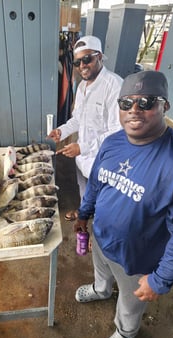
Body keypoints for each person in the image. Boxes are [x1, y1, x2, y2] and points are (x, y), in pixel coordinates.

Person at [73, 70, 173, 338]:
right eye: (126, 103)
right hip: (101, 237)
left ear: (164, 106)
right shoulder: (112, 142)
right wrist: (84, 213)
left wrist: (160, 280)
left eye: (146, 102)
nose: (134, 110)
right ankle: (101, 290)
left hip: (137, 257)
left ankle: (126, 331)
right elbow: (97, 183)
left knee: (130, 300)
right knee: (101, 270)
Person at [48, 35, 123, 221]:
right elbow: (78, 119)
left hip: (103, 161)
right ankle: (84, 214)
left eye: (87, 59)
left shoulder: (114, 85)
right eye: (77, 62)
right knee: (85, 191)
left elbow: (118, 131)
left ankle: (97, 233)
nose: (82, 65)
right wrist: (62, 131)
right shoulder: (82, 86)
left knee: (104, 201)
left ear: (99, 56)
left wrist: (83, 147)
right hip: (82, 159)